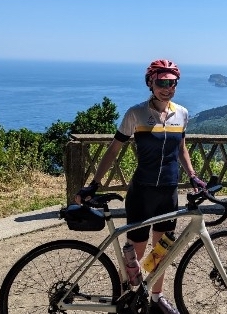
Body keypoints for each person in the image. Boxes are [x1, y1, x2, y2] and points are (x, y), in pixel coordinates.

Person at [75, 58, 206, 314]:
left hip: (168, 192)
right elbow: (114, 149)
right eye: (161, 82)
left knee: (162, 252)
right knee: (136, 251)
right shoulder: (135, 114)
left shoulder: (182, 113)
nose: (167, 88)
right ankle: (130, 297)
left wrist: (192, 175)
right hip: (141, 193)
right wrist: (94, 183)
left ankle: (156, 299)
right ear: (150, 83)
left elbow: (181, 147)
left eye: (172, 83)